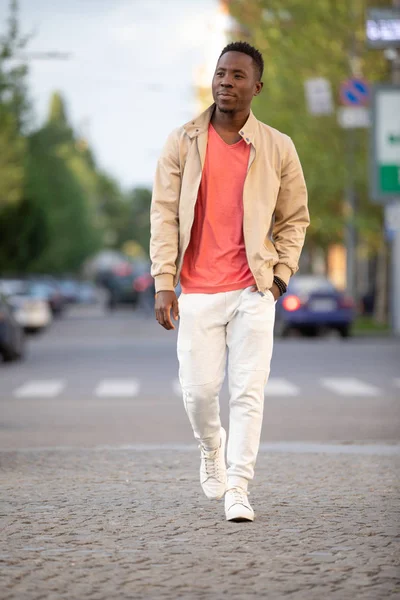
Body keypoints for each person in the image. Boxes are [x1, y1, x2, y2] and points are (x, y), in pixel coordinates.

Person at [150, 41, 309, 522]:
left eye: (238, 76)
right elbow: (163, 215)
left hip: (253, 290)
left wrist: (279, 278)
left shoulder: (278, 147)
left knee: (247, 392)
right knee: (198, 393)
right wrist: (163, 280)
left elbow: (295, 219)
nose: (226, 82)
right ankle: (210, 445)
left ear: (256, 87)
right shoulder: (183, 141)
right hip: (197, 289)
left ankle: (239, 487)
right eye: (221, 73)